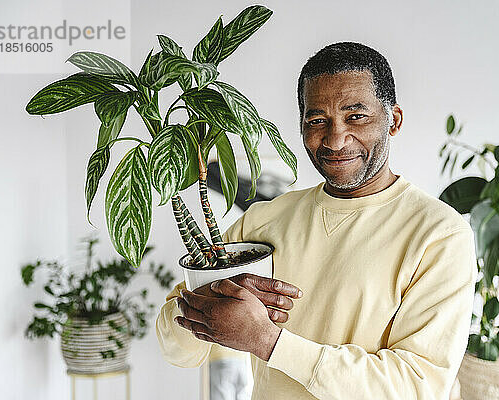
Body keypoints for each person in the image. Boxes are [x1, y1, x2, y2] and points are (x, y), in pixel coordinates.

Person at [155, 41, 477, 400]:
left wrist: (267, 340)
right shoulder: (264, 220)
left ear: (393, 120)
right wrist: (213, 296)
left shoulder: (440, 234)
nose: (336, 139)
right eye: (317, 120)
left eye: (356, 116)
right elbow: (178, 350)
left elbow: (415, 387)